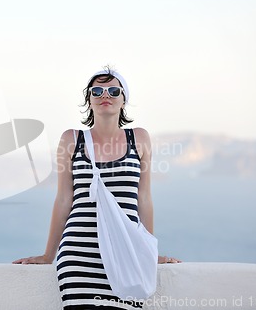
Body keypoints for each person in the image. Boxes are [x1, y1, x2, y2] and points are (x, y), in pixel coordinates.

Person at [13, 67, 180, 309]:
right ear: (89, 100)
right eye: (97, 91)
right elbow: (63, 199)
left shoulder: (140, 138)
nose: (106, 95)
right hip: (79, 255)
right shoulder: (71, 140)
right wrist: (49, 255)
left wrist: (147, 252)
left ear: (124, 101)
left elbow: (143, 198)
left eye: (114, 90)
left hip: (126, 255)